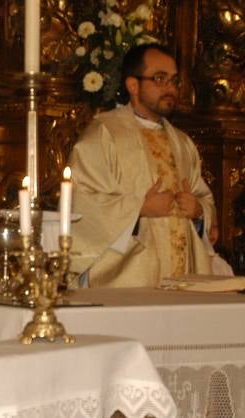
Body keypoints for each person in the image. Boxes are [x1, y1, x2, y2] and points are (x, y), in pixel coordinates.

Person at [69, 44, 230, 287]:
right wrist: (139, 208)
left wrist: (198, 211)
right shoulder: (104, 134)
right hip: (128, 284)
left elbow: (204, 199)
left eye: (174, 81)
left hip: (184, 281)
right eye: (160, 79)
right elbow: (80, 203)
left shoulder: (183, 143)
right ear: (133, 85)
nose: (170, 89)